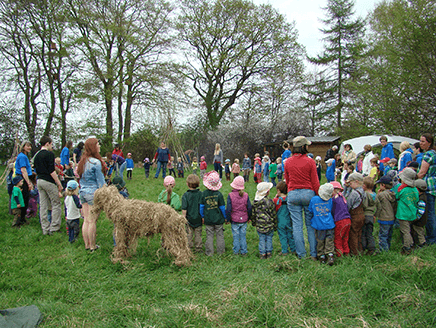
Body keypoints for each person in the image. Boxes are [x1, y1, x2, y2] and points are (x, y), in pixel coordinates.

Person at [284, 136, 320, 260]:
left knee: (297, 225)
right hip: (308, 193)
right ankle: (314, 254)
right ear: (304, 147)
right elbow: (315, 181)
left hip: (293, 193)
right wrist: (318, 195)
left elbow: (287, 180)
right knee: (310, 225)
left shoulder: (287, 162)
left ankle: (301, 254)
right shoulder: (310, 161)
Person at [77, 138, 106, 251]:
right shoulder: (96, 162)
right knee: (92, 221)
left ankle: (87, 245)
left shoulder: (82, 161)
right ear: (93, 146)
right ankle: (93, 246)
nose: (99, 146)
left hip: (82, 193)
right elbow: (101, 183)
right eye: (98, 144)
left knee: (86, 220)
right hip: (93, 194)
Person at [34, 136, 64, 235]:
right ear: (47, 143)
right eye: (51, 144)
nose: (52, 146)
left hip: (39, 180)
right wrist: (58, 183)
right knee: (56, 203)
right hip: (48, 181)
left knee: (43, 205)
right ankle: (54, 227)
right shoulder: (49, 154)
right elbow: (51, 170)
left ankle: (45, 228)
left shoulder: (37, 155)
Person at [200, 171, 226, 256]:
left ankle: (209, 252)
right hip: (218, 219)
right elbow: (222, 208)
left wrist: (202, 216)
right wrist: (225, 217)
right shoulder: (219, 194)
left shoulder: (204, 194)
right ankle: (220, 252)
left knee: (209, 236)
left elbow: (201, 207)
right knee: (220, 235)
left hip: (208, 218)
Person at [308, 183, 335, 265]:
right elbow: (330, 209)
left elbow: (310, 210)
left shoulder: (314, 199)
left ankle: (321, 256)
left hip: (319, 225)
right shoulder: (330, 200)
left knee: (320, 241)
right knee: (329, 241)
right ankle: (330, 255)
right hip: (330, 224)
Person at [417, 133, 436, 245]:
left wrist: (413, 180)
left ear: (429, 143)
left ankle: (431, 238)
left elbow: (422, 172)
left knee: (429, 213)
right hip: (433, 185)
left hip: (427, 186)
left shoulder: (428, 155)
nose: (421, 143)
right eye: (420, 141)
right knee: (432, 212)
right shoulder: (433, 153)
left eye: (423, 141)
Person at [226, 176, 252, 256]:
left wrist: (227, 219)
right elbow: (249, 207)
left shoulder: (230, 195)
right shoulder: (246, 195)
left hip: (234, 220)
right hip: (244, 219)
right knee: (243, 236)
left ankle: (236, 251)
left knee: (236, 236)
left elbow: (229, 209)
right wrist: (249, 217)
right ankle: (244, 251)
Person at [396, 168, 419, 254]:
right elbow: (416, 200)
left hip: (403, 214)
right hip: (412, 213)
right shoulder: (415, 190)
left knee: (405, 231)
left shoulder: (402, 190)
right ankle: (412, 243)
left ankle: (407, 247)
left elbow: (397, 197)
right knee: (409, 230)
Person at [252, 182, 276, 259]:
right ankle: (269, 252)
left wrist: (254, 222)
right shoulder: (269, 201)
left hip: (259, 224)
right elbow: (273, 213)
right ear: (267, 191)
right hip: (269, 224)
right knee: (269, 238)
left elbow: (253, 214)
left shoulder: (255, 202)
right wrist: (275, 223)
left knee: (262, 239)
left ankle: (262, 253)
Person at [344, 172, 366, 256]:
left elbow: (348, 205)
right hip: (362, 214)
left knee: (353, 234)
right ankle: (360, 249)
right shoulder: (362, 191)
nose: (349, 184)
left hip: (354, 216)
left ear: (356, 182)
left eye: (351, 183)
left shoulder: (354, 193)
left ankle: (354, 252)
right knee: (359, 233)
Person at [374, 175, 396, 252]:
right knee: (389, 235)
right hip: (391, 217)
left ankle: (383, 250)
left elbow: (376, 203)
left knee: (383, 235)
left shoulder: (381, 195)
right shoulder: (393, 194)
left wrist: (378, 194)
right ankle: (388, 247)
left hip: (383, 217)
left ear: (383, 185)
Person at [182, 174, 203, 253]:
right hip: (199, 218)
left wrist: (183, 218)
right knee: (198, 234)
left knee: (189, 234)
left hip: (189, 219)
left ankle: (189, 248)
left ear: (187, 184)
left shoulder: (185, 195)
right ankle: (198, 248)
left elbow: (184, 208)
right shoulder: (201, 194)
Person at [14, 140, 34, 223]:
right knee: (22, 199)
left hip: (24, 177)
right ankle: (18, 220)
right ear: (23, 147)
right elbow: (23, 170)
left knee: (25, 199)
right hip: (22, 178)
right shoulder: (22, 156)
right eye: (27, 146)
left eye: (30, 146)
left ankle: (23, 218)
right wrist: (28, 182)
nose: (29, 147)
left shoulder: (24, 156)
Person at [330, 181, 351, 257]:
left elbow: (332, 211)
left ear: (334, 190)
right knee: (345, 238)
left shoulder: (334, 200)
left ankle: (339, 254)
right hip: (348, 220)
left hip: (340, 221)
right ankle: (346, 252)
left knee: (338, 238)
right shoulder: (342, 197)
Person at [274, 181, 295, 256]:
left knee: (282, 236)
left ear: (278, 191)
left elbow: (275, 209)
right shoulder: (289, 199)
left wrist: (275, 197)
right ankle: (293, 249)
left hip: (280, 221)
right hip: (289, 220)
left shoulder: (276, 200)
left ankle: (284, 250)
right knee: (290, 235)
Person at [362, 177, 376, 255]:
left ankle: (364, 247)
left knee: (364, 233)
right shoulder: (375, 194)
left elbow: (365, 205)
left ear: (364, 186)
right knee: (370, 233)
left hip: (365, 214)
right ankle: (372, 247)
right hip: (371, 215)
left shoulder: (366, 194)